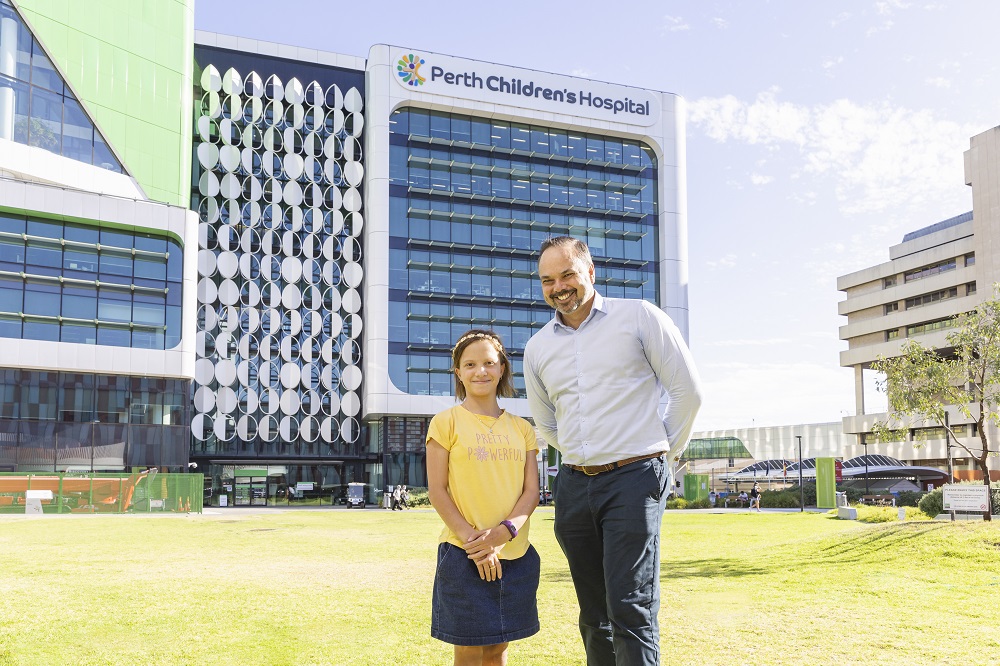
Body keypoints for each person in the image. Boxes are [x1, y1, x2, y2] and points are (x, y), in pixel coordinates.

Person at [524, 236, 702, 665]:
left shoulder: (639, 317)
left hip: (634, 479)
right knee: (593, 614)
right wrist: (583, 456)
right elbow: (546, 422)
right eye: (548, 280)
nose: (558, 286)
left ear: (590, 272)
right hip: (574, 486)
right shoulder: (538, 348)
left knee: (630, 608)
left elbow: (687, 393)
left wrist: (660, 457)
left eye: (567, 274)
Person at [426, 329, 541, 665]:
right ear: (458, 372)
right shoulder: (445, 423)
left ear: (502, 368)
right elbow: (438, 490)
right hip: (463, 554)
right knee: (469, 650)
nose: (481, 371)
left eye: (489, 363)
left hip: (515, 555)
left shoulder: (522, 428)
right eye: (470, 364)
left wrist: (502, 535)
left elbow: (531, 492)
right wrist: (477, 545)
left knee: (497, 649)